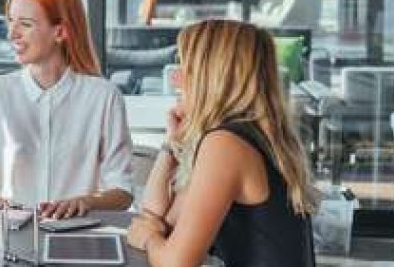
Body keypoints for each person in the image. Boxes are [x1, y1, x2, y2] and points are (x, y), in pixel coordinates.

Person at [126, 19, 316, 266]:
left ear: (213, 77)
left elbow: (175, 262)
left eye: (186, 67)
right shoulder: (243, 136)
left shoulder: (226, 146)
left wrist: (149, 240)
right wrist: (172, 143)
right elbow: (157, 218)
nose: (176, 79)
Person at [0, 0, 136, 219]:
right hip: (7, 241)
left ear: (60, 32)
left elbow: (123, 192)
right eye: (11, 21)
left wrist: (84, 201)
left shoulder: (104, 97)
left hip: (78, 239)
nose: (12, 33)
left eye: (26, 24)